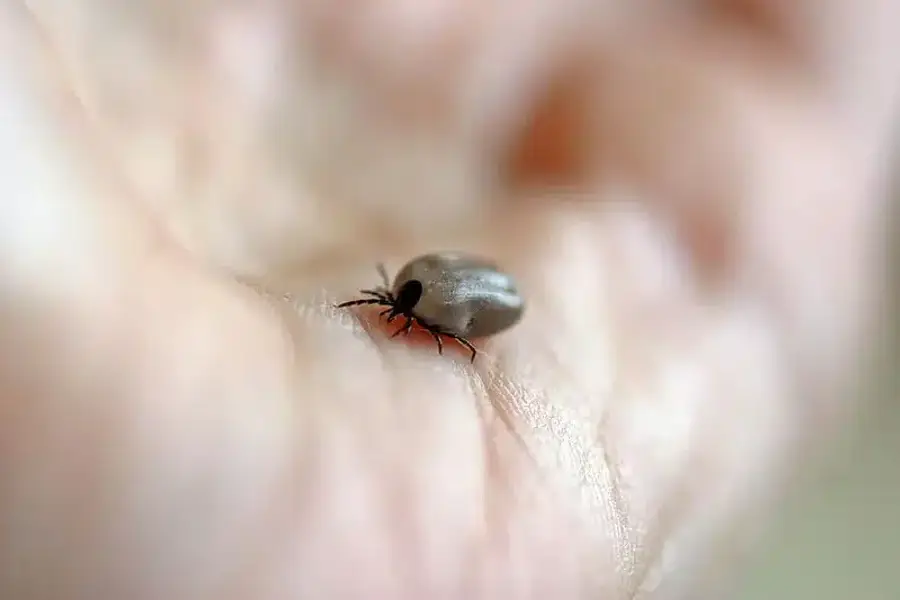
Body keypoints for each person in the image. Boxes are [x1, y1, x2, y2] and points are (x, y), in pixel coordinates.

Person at [0, 1, 896, 597]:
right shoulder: (426, 298)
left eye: (396, 312)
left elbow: (456, 307)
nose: (391, 317)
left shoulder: (428, 297)